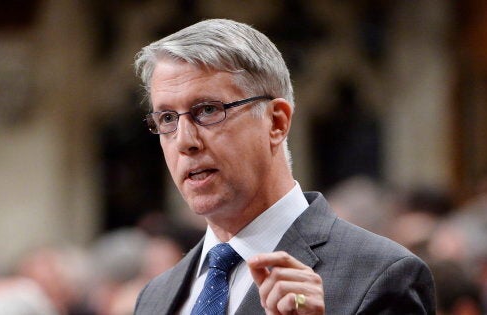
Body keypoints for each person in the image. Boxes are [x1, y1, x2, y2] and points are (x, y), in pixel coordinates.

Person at [132, 19, 435, 315]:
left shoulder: (381, 275)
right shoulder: (156, 296)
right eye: (168, 119)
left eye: (208, 110)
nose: (185, 141)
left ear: (276, 122)